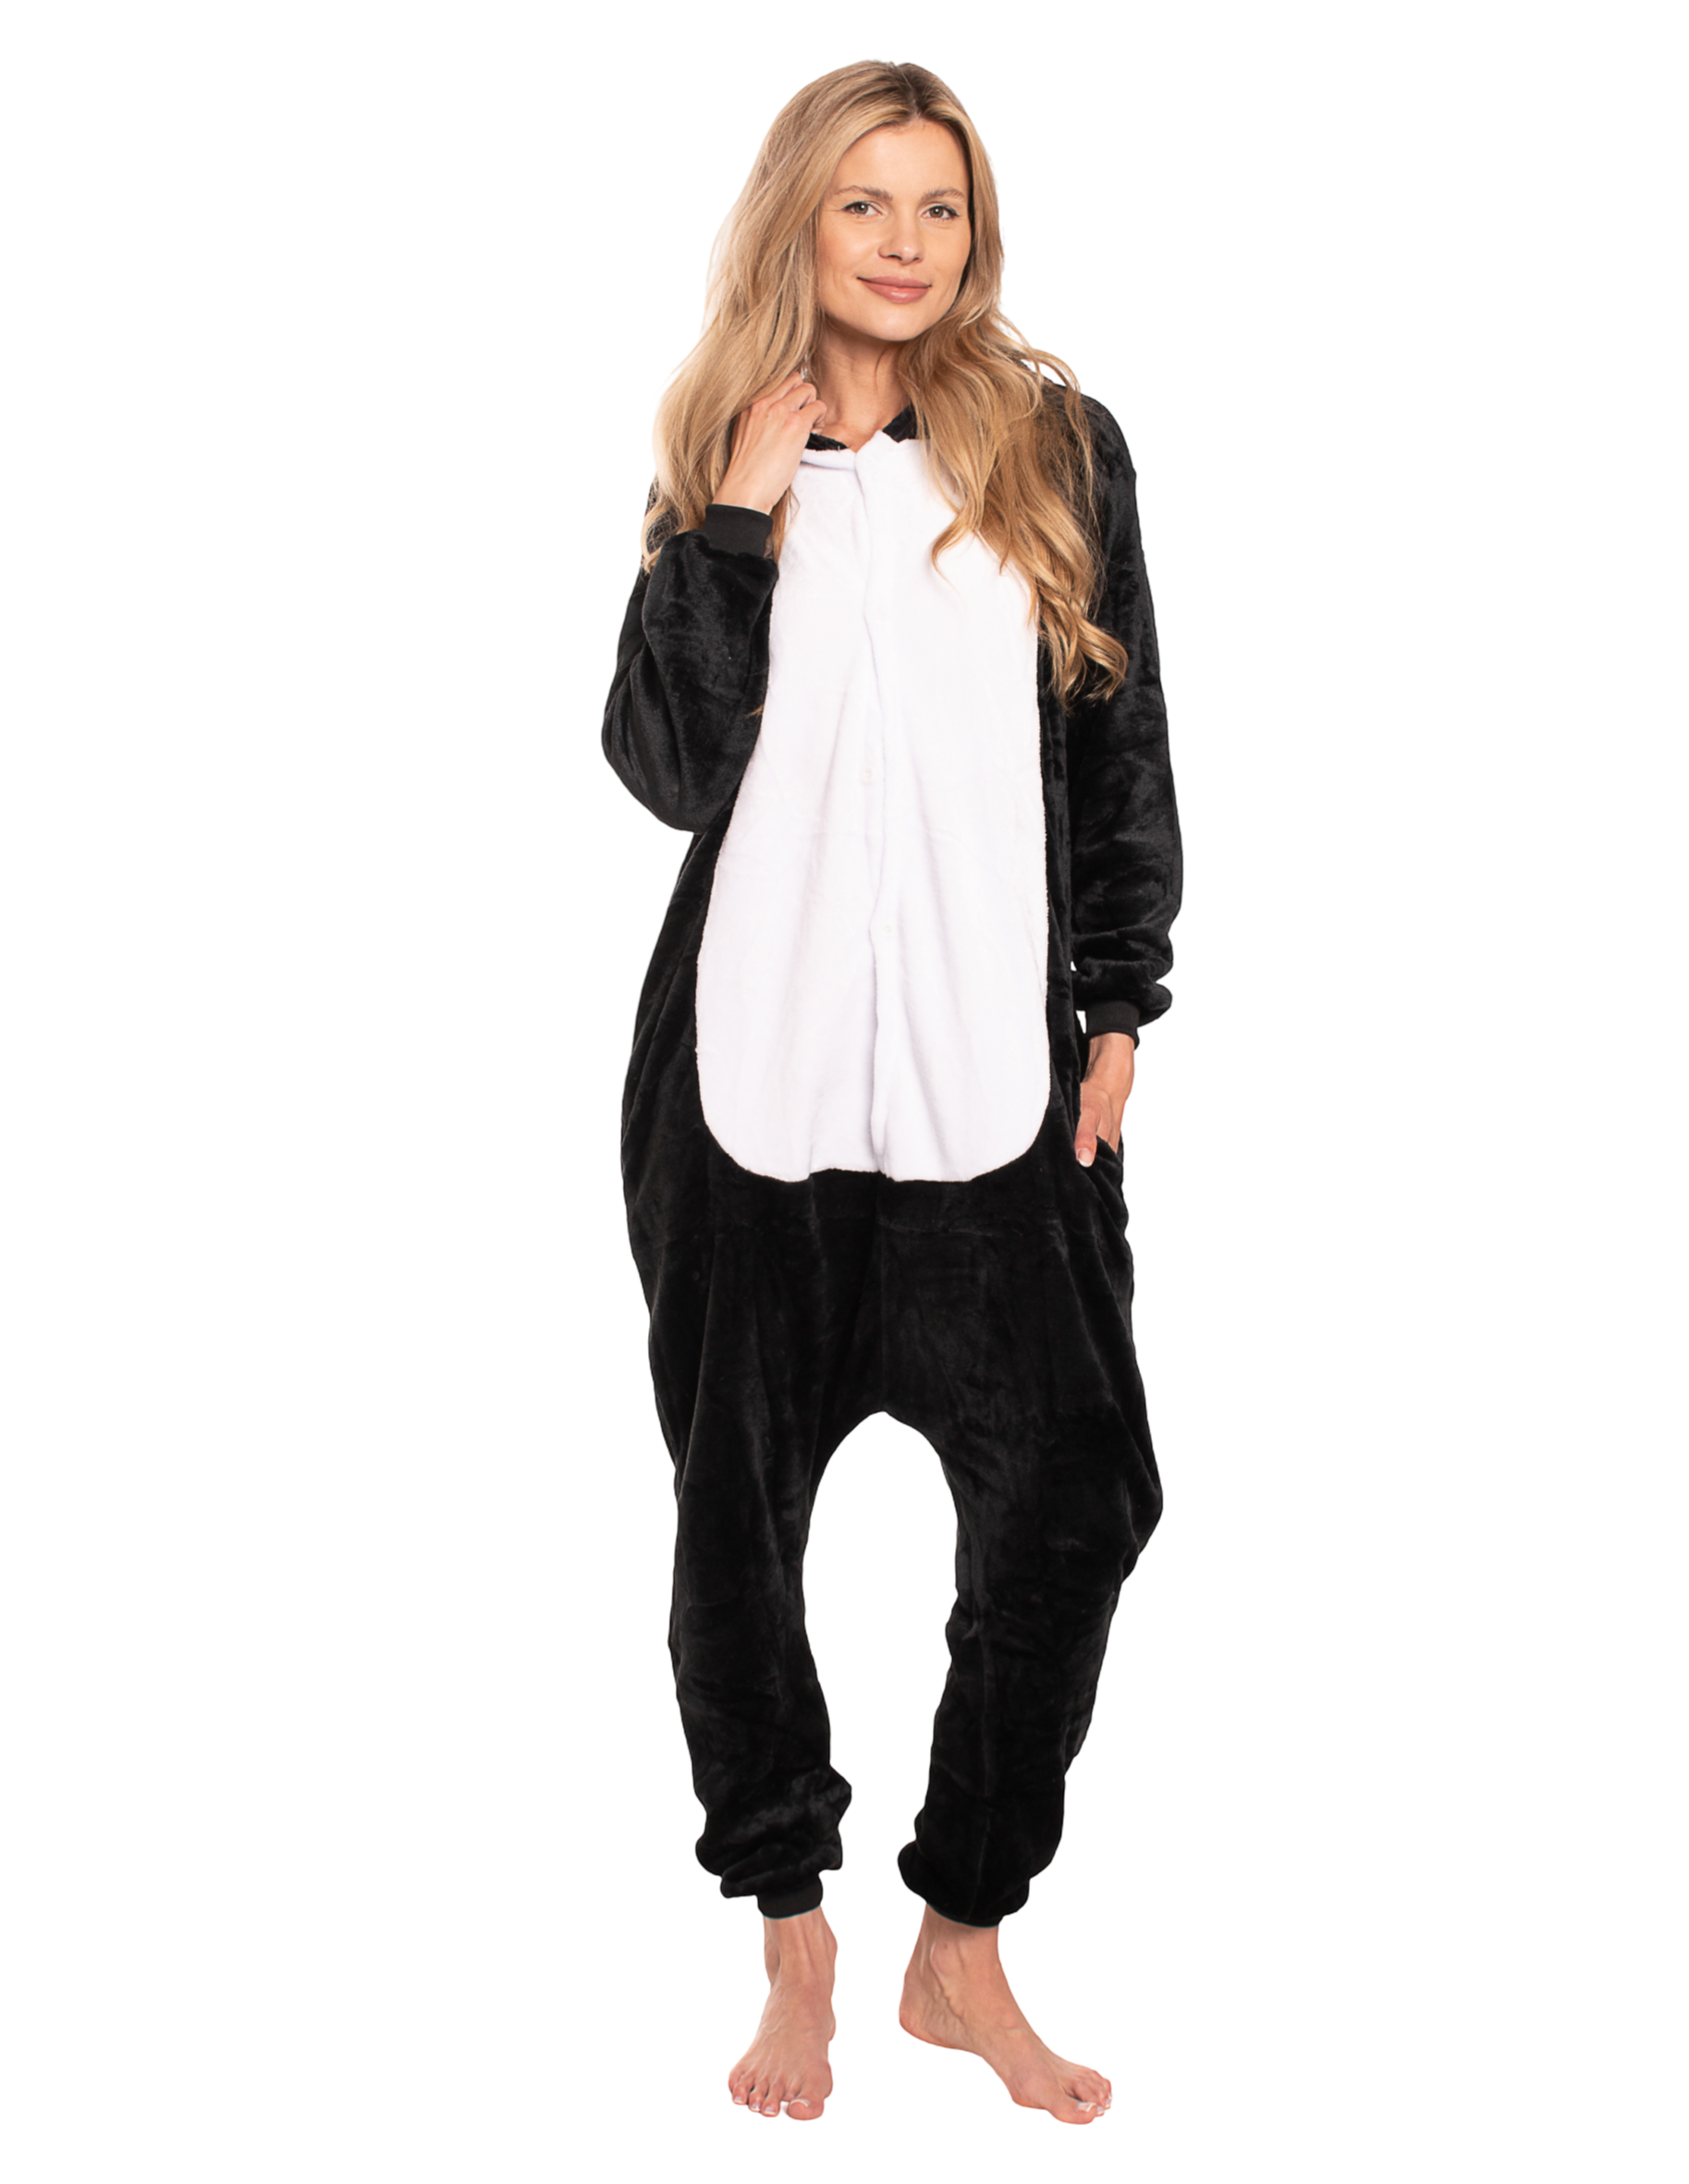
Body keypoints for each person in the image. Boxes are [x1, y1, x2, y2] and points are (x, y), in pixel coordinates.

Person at [600, 59, 1181, 2127]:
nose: (905, 242)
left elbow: (1116, 739)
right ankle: (791, 1926)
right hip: (740, 1091)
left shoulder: (1057, 447)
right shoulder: (719, 452)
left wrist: (1119, 999)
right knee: (734, 1525)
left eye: (939, 205)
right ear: (801, 221)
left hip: (991, 1082)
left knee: (1079, 1494)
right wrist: (737, 521)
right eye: (864, 202)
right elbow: (664, 766)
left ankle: (961, 1934)